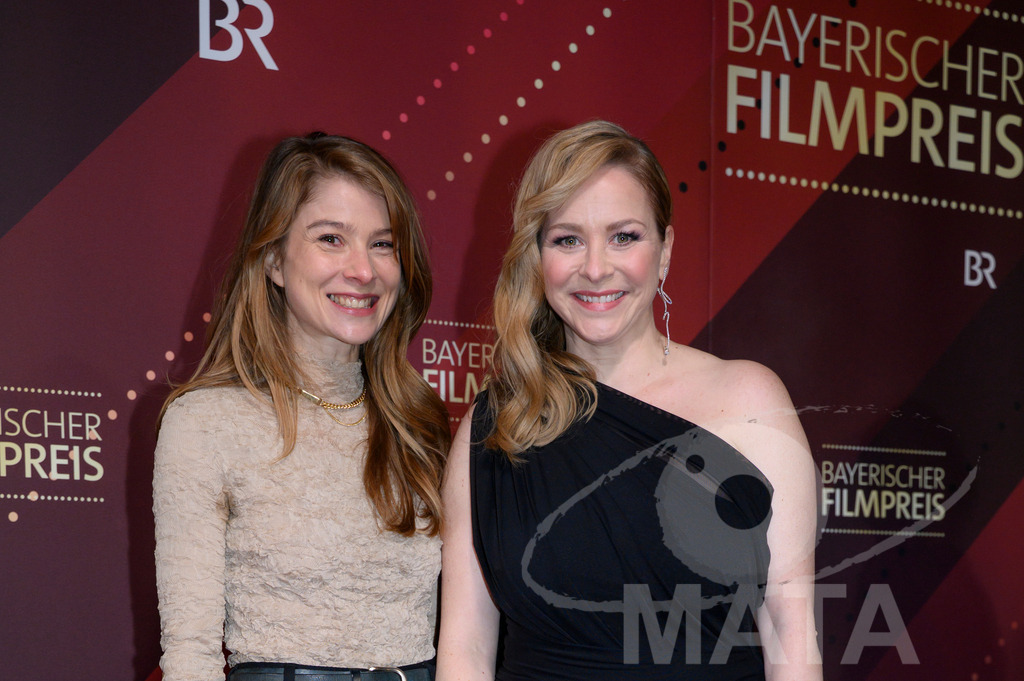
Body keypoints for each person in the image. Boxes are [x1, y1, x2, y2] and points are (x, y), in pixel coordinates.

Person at [436, 120, 821, 681]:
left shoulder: (749, 399)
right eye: (567, 239)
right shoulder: (494, 427)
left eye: (624, 236)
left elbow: (790, 628)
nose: (596, 268)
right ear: (536, 257)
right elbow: (466, 650)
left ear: (664, 250)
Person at [153, 132, 450, 681]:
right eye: (331, 239)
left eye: (383, 244)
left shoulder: (421, 422)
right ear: (272, 259)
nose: (363, 270)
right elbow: (190, 655)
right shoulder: (206, 423)